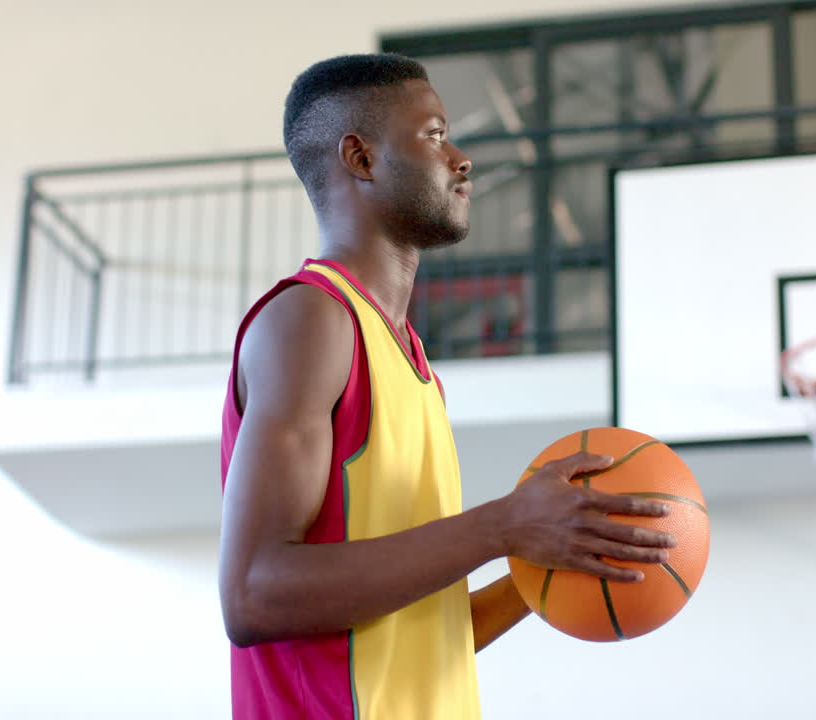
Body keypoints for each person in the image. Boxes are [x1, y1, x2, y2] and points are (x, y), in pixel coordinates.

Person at [218, 53, 677, 720]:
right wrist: (503, 525)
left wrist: (546, 563)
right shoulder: (312, 320)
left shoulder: (413, 364)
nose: (461, 159)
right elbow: (253, 595)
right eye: (434, 134)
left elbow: (422, 634)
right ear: (360, 157)